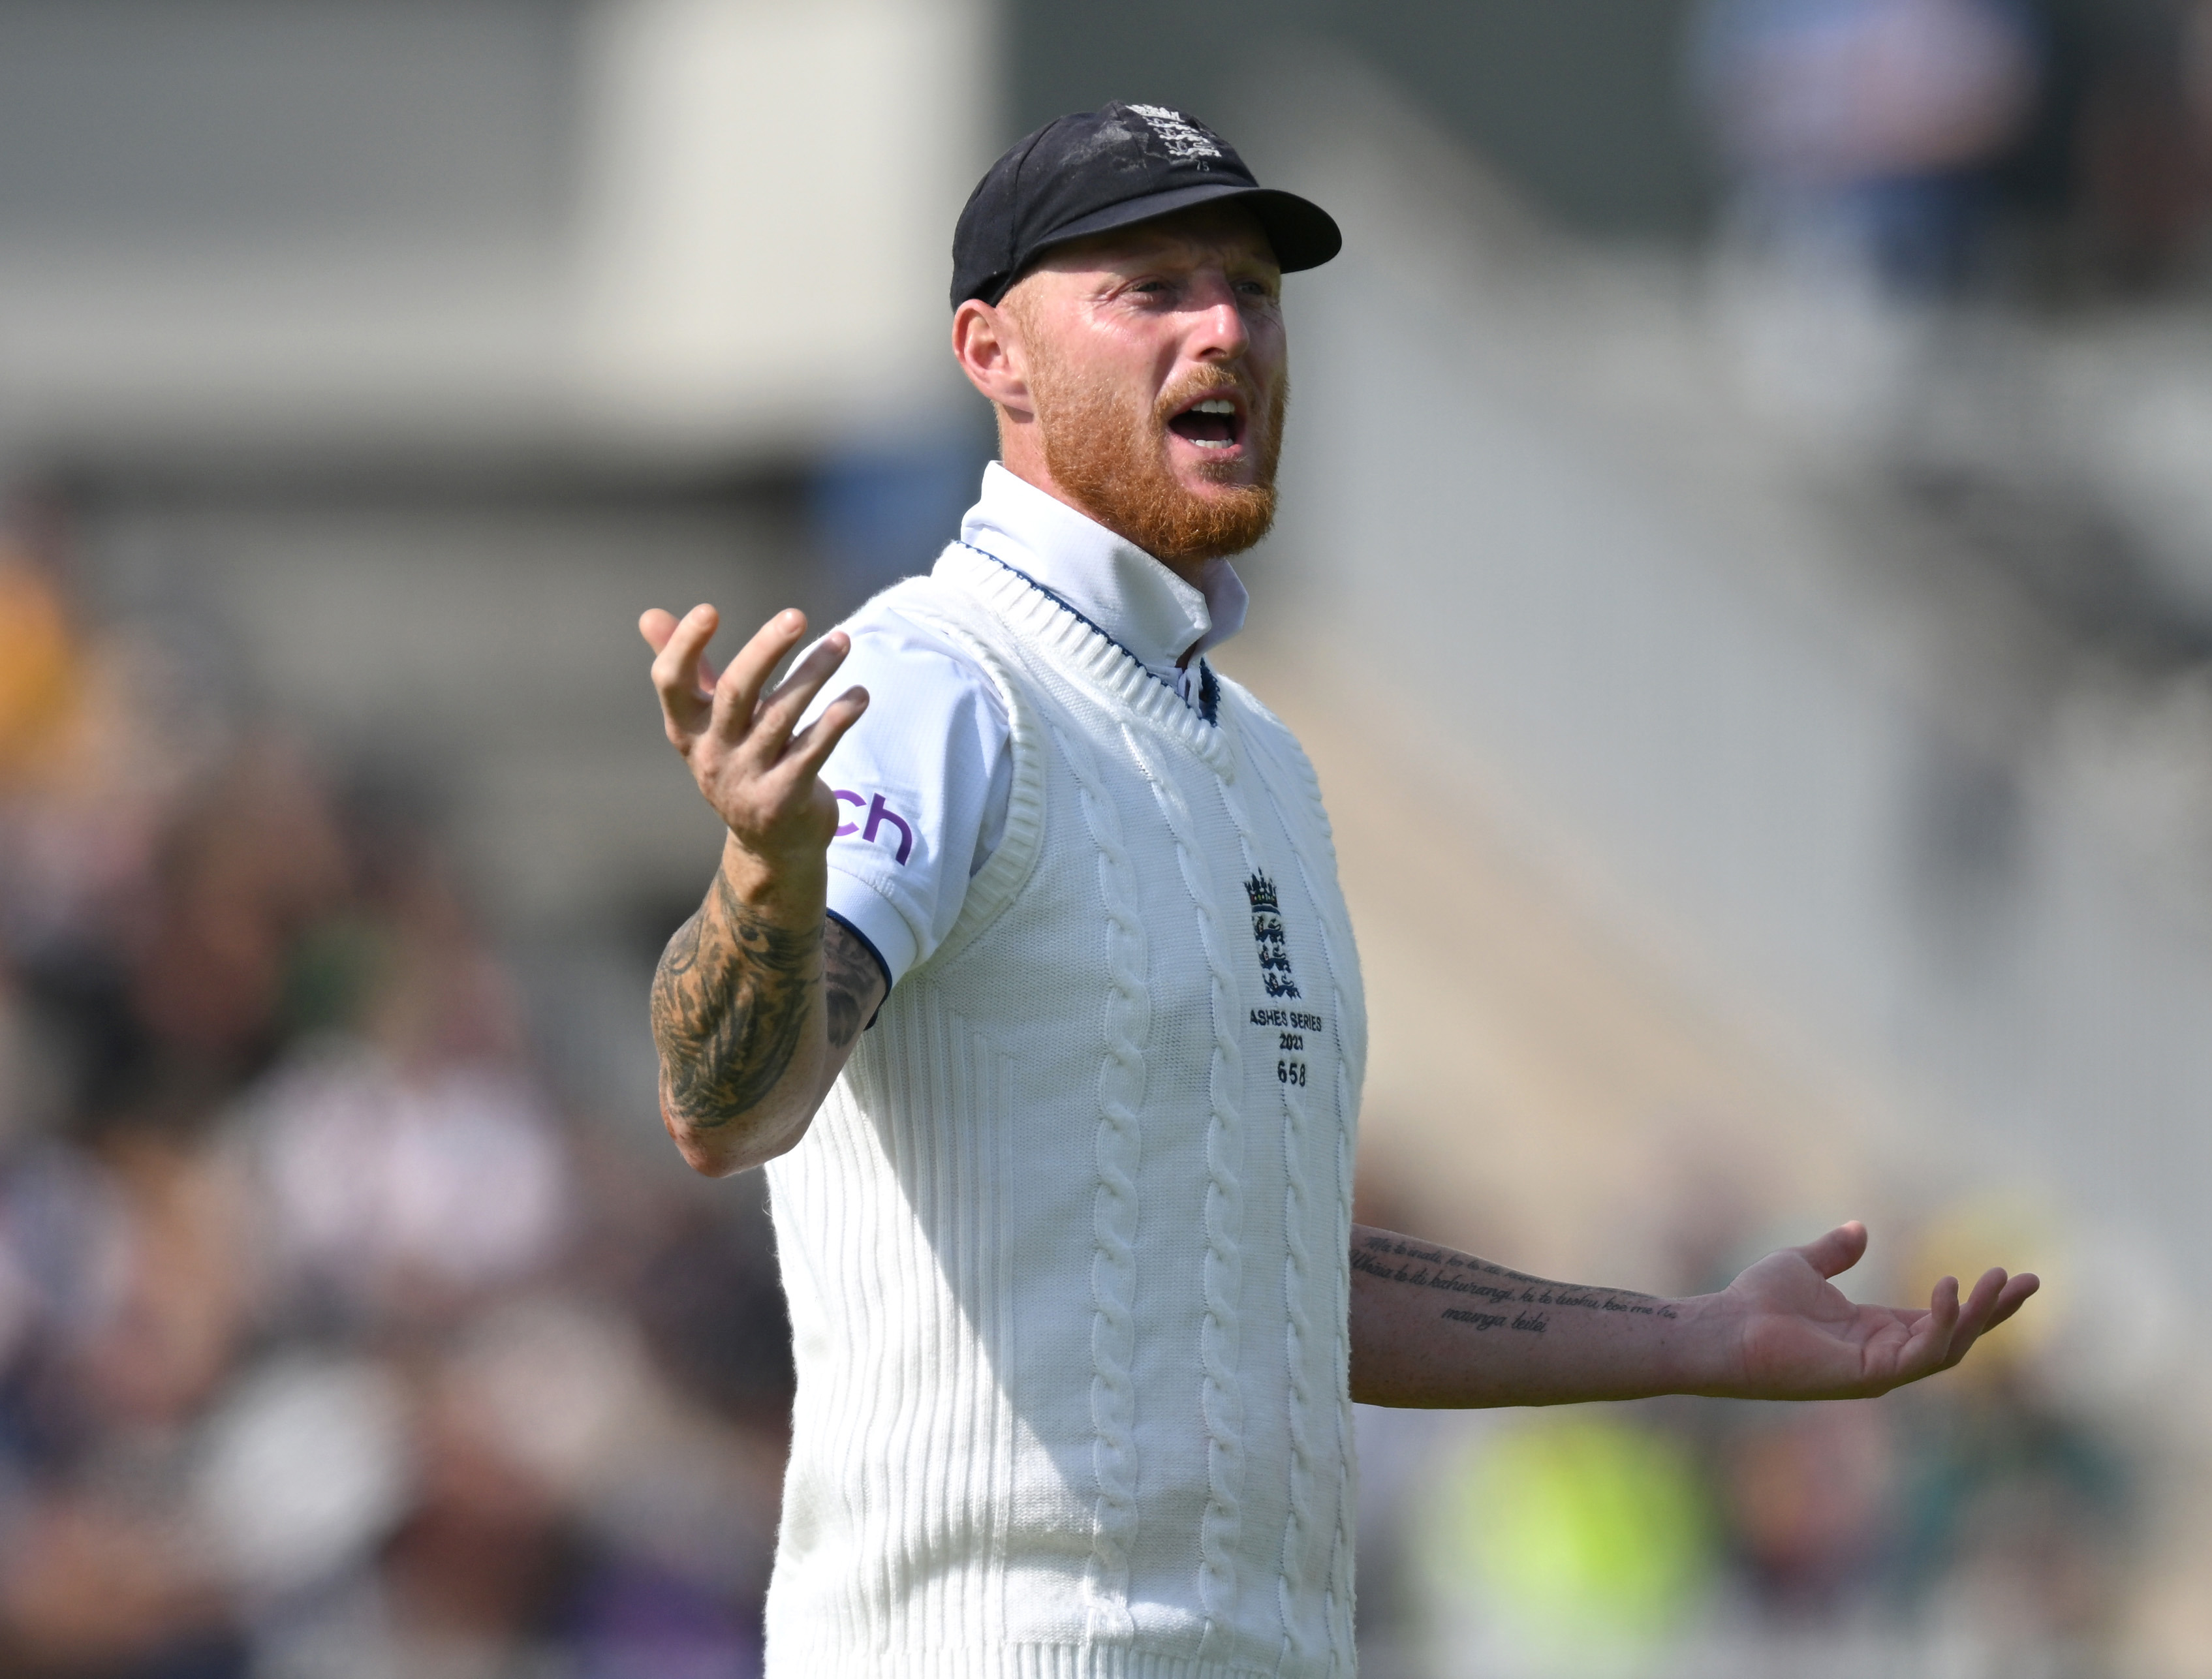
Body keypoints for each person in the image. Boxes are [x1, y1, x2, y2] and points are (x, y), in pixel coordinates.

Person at [635, 100, 2038, 1678]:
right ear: (993, 354)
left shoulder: (1263, 769)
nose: (1224, 325)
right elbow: (723, 1109)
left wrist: (1696, 1338)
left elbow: (1275, 1270)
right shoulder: (932, 681)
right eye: (1148, 287)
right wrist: (764, 876)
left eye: (1251, 285)